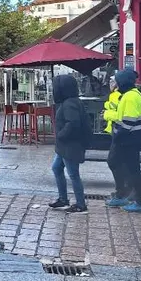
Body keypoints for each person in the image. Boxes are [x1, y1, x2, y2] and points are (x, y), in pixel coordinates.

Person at [105, 69, 141, 213]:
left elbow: (128, 122)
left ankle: (138, 200)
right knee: (119, 164)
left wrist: (118, 134)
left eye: (117, 81)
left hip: (127, 139)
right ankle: (124, 194)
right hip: (131, 139)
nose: (116, 84)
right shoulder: (133, 94)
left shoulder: (130, 97)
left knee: (131, 169)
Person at [48, 75, 92, 213]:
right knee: (56, 168)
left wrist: (60, 135)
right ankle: (63, 199)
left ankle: (81, 204)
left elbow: (73, 124)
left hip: (70, 145)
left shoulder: (70, 104)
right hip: (64, 146)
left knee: (73, 174)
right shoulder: (71, 101)